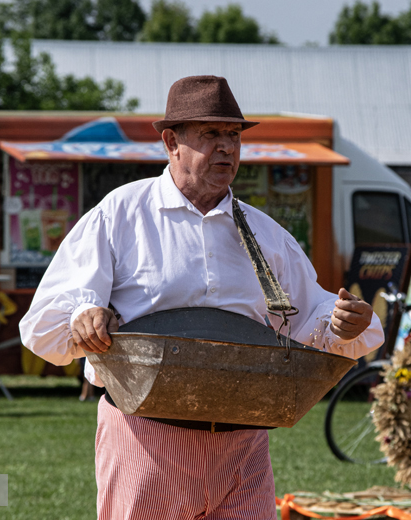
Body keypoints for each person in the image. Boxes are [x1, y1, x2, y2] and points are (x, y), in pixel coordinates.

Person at [20, 75, 384, 520]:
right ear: (171, 142)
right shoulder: (120, 215)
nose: (227, 148)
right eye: (211, 134)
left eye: (233, 135)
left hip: (243, 446)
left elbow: (314, 316)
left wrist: (346, 320)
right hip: (145, 439)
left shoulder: (266, 234)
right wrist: (82, 318)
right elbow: (42, 327)